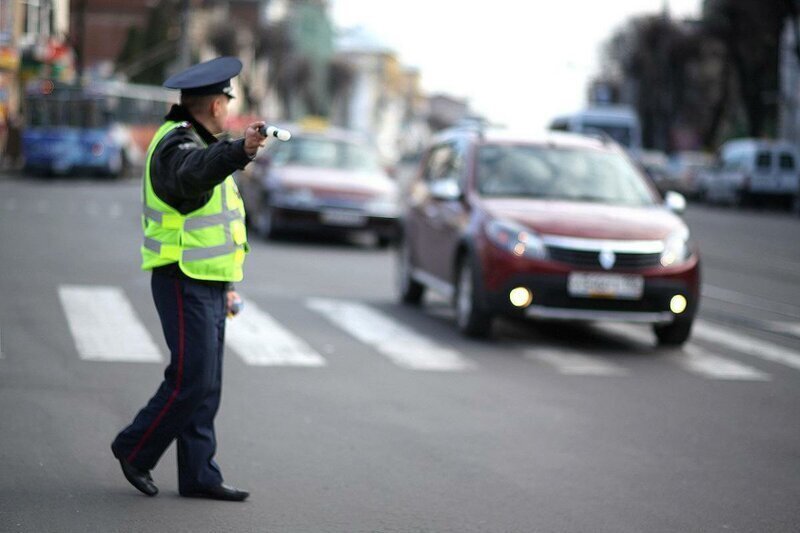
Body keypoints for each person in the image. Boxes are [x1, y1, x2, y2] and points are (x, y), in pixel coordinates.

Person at [111, 57, 268, 502]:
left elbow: (216, 220)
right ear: (217, 104)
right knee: (191, 378)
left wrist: (228, 284)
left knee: (206, 382)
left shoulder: (198, 142)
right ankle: (134, 449)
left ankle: (200, 473)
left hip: (209, 280)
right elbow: (191, 176)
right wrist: (239, 151)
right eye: (226, 102)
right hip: (182, 277)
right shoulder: (175, 147)